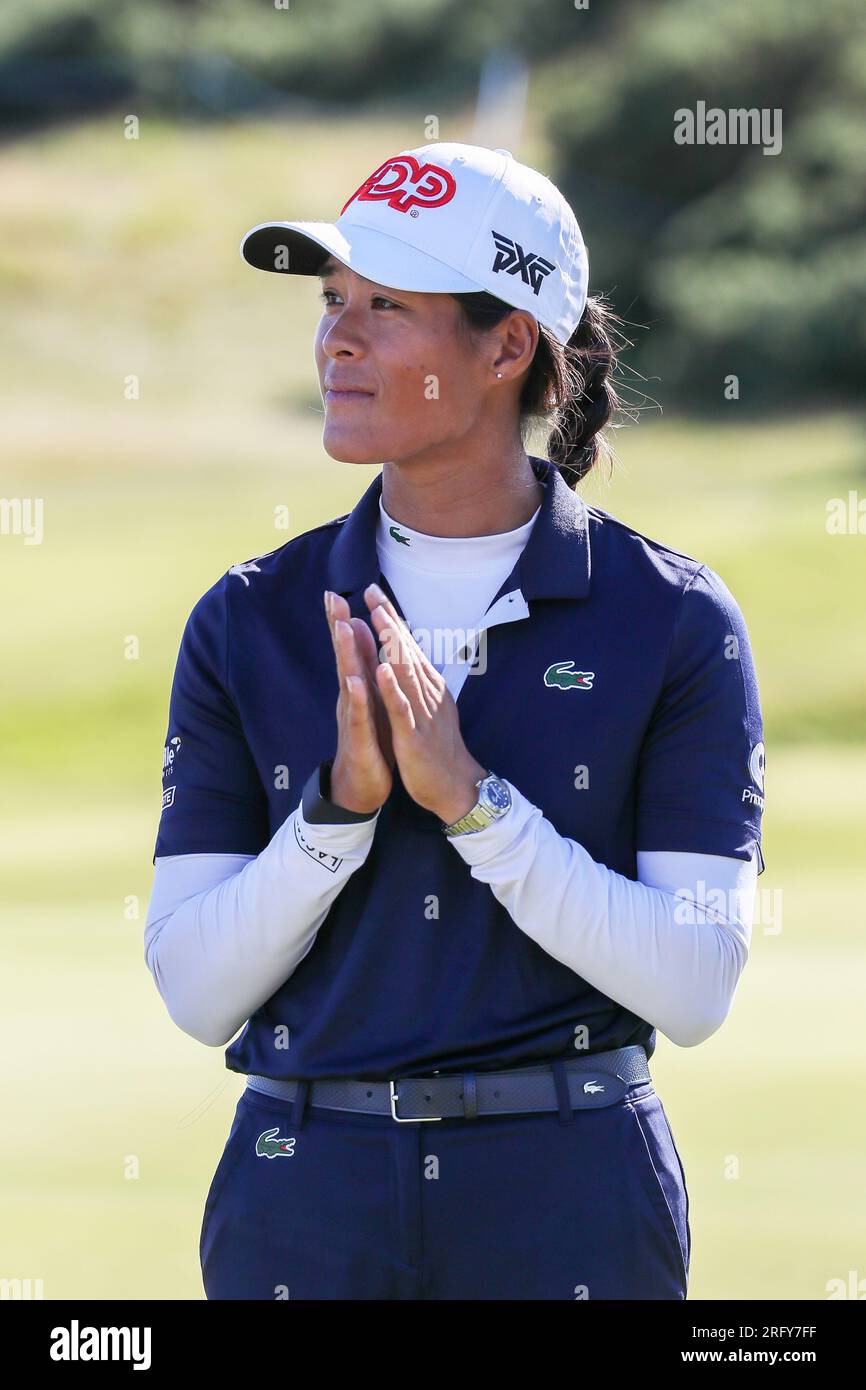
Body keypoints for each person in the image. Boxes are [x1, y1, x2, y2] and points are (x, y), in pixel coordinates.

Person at [144, 142, 765, 1301]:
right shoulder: (248, 615)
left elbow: (694, 987)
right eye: (333, 302)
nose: (337, 338)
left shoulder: (668, 618)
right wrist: (338, 813)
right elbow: (195, 990)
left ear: (505, 344)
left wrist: (477, 809)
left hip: (566, 1191)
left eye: (385, 305)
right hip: (300, 1185)